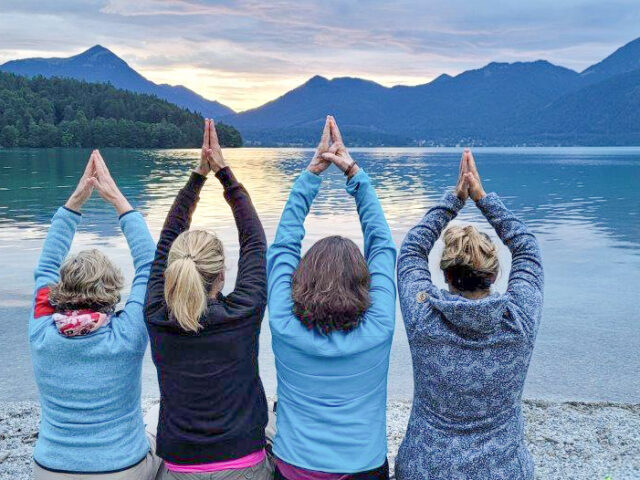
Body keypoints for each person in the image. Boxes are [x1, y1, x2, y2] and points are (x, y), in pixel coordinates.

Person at [395, 149, 544, 479]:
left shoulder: (425, 316)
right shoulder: (518, 321)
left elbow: (411, 251)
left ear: (446, 277)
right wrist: (481, 197)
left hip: (426, 469)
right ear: (493, 276)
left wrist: (454, 199)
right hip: (503, 471)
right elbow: (527, 248)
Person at [267, 116, 397, 479]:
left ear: (302, 279)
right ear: (363, 282)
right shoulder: (379, 327)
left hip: (296, 468)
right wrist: (355, 175)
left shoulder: (283, 323)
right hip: (363, 468)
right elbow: (383, 247)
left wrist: (312, 175)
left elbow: (282, 248)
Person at [144, 119, 271, 480]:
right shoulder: (242, 313)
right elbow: (255, 243)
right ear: (222, 275)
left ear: (172, 273)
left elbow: (167, 241)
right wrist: (223, 174)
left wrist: (196, 178)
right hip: (245, 465)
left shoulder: (156, 315)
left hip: (180, 467)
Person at [30, 150, 160, 479]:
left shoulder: (42, 330)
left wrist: (76, 200)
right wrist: (118, 199)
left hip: (49, 470)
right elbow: (150, 267)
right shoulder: (127, 335)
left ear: (62, 286)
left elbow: (45, 266)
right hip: (122, 469)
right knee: (158, 420)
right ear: (113, 289)